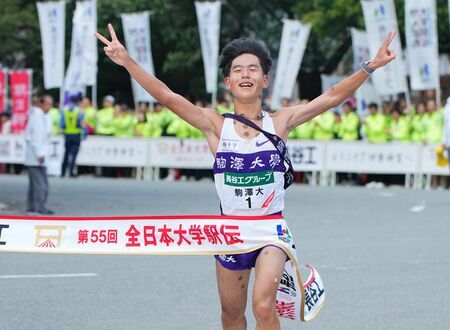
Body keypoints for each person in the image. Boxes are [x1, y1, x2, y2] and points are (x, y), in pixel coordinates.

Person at [96, 24, 396, 329]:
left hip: (271, 231)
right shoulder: (214, 125)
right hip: (229, 231)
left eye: (253, 69)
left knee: (264, 306)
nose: (245, 75)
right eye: (238, 70)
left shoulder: (280, 121)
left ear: (264, 80)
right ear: (228, 82)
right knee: (231, 314)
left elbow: (332, 97)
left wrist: (369, 66)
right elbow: (167, 96)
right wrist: (126, 61)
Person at [24, 94, 54, 214]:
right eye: (48, 104)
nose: (50, 107)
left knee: (34, 184)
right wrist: (39, 154)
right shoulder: (37, 116)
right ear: (41, 104)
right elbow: (36, 138)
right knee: (41, 185)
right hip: (36, 156)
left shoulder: (41, 116)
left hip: (36, 156)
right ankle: (39, 207)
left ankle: (31, 206)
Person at [60, 96, 85, 177]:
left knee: (66, 153)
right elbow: (81, 123)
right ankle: (71, 172)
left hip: (67, 134)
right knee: (73, 154)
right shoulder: (79, 111)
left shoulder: (65, 110)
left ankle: (63, 172)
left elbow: (62, 124)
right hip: (76, 134)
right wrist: (84, 134)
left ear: (70, 100)